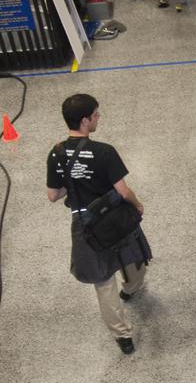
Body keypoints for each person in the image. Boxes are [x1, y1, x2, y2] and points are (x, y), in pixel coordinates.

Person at [46, 93, 151, 356]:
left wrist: (72, 183)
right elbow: (123, 191)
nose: (98, 118)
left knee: (103, 283)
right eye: (95, 115)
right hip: (115, 217)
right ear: (84, 121)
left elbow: (53, 195)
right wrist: (137, 205)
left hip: (84, 225)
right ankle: (131, 289)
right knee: (134, 258)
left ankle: (123, 336)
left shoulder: (56, 153)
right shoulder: (104, 151)